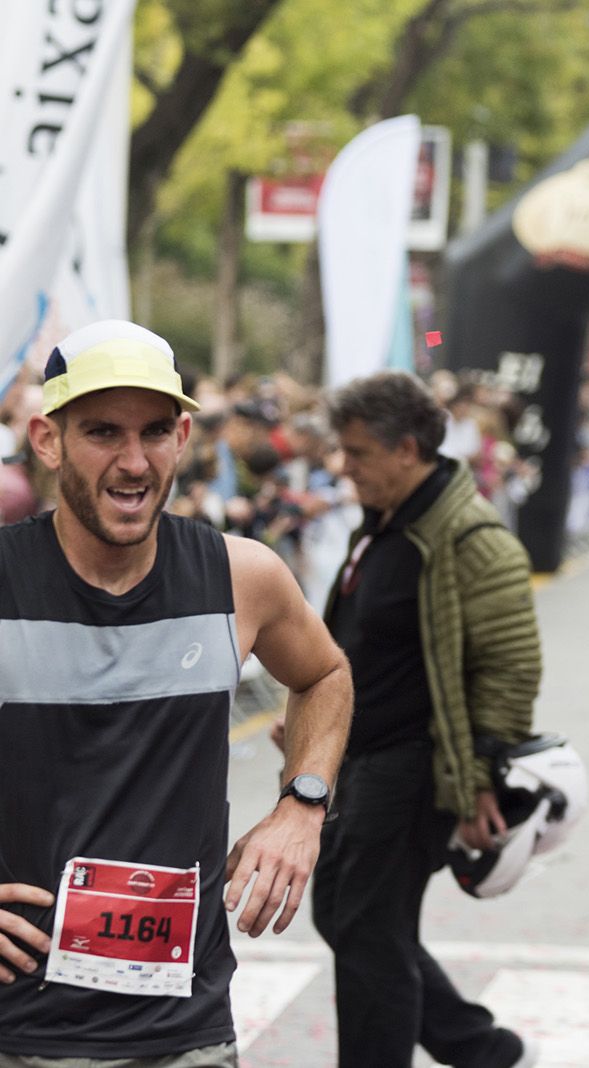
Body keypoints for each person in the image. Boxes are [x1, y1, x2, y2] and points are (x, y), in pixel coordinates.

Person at [0, 319, 352, 1066]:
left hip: (185, 1032)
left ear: (185, 436)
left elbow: (324, 674)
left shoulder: (240, 576)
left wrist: (304, 803)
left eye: (154, 432)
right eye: (101, 432)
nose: (134, 462)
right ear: (47, 438)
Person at [305, 371, 542, 1067]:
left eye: (358, 454)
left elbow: (512, 667)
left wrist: (480, 780)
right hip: (358, 761)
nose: (344, 468)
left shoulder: (469, 536)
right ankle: (484, 1050)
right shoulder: (385, 523)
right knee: (345, 915)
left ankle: (476, 1051)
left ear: (407, 449)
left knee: (368, 930)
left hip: (416, 766)